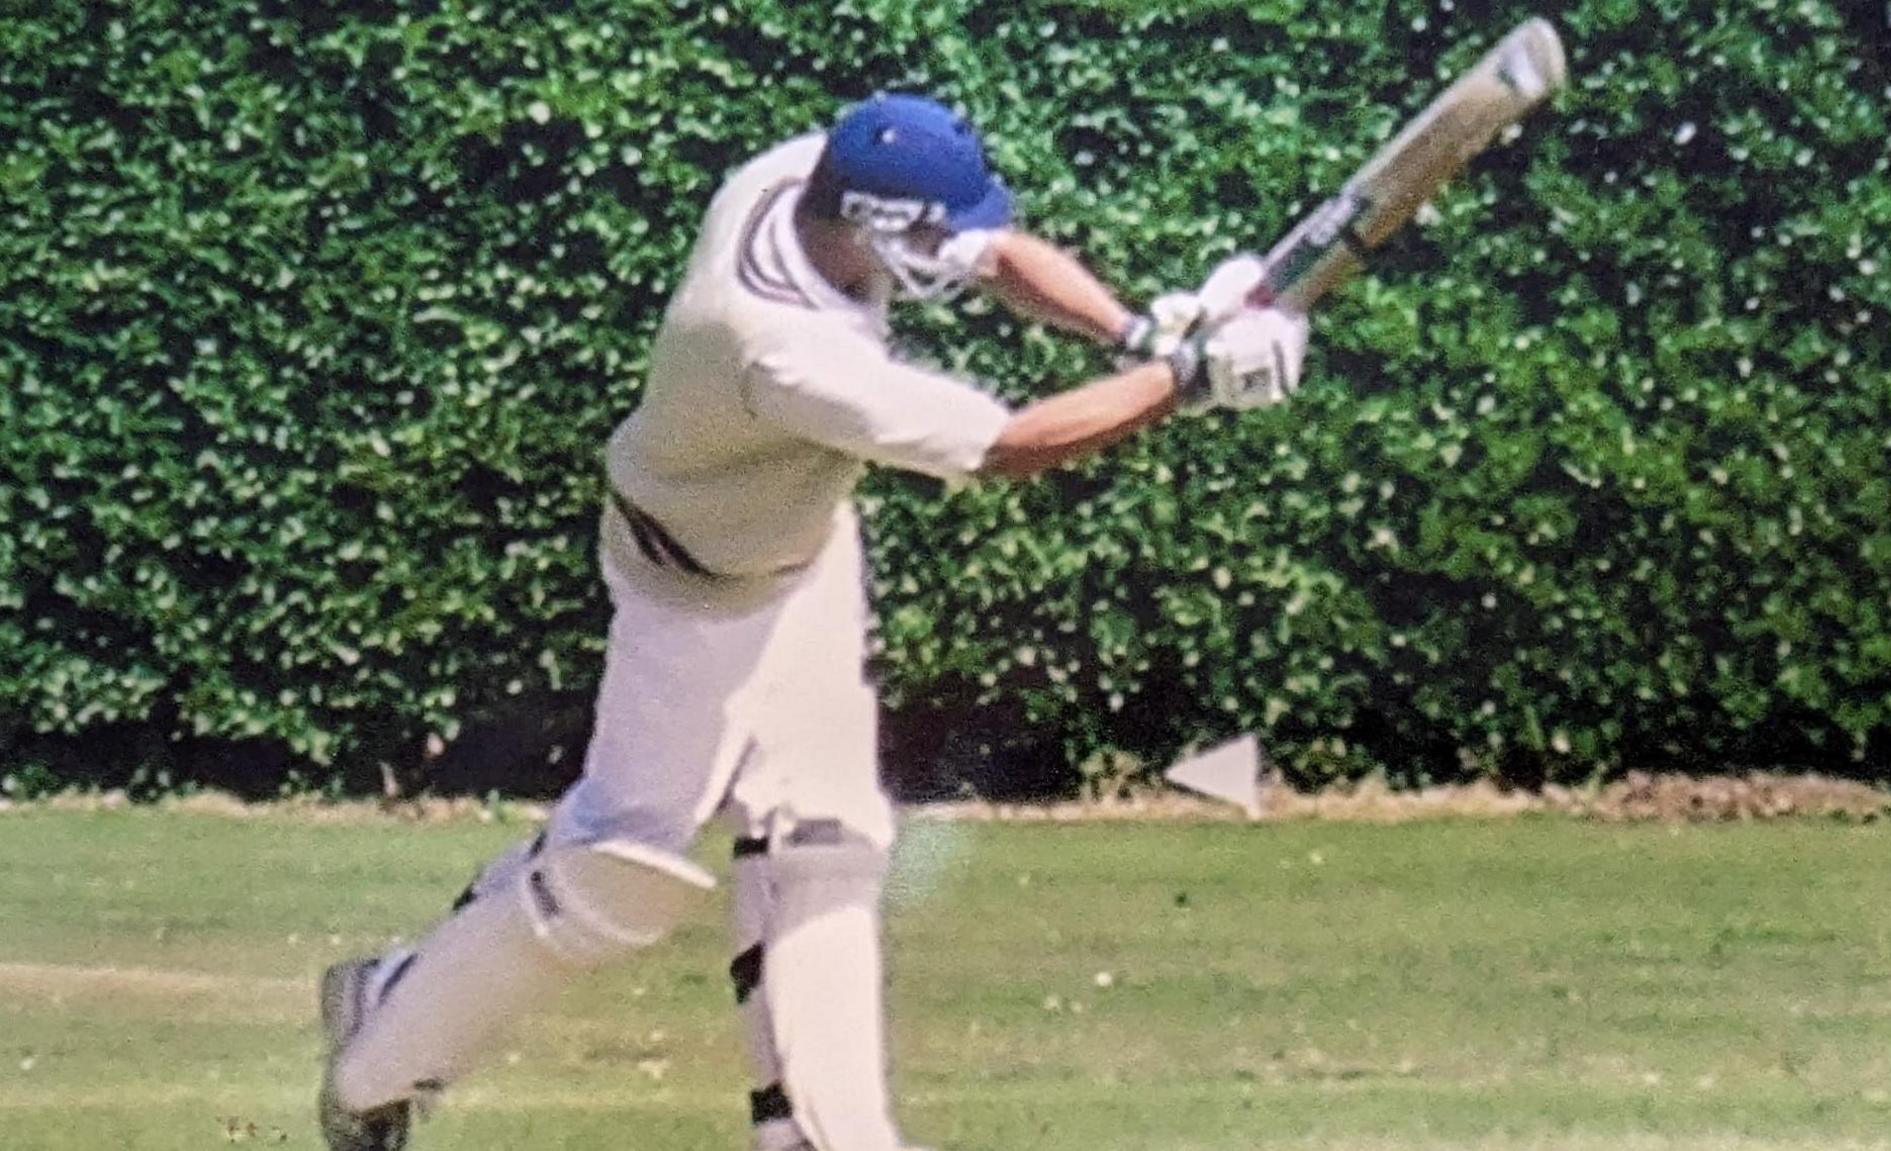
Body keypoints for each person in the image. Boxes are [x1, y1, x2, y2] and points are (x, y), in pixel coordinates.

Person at [316, 91, 1308, 1151]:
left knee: (828, 836)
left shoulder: (804, 176)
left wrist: (1135, 329)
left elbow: (994, 250)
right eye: (928, 232)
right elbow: (1011, 445)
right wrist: (1184, 380)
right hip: (689, 591)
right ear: (874, 222)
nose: (952, 250)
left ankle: (829, 1133)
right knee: (616, 878)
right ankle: (383, 1033)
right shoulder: (781, 350)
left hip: (801, 545)